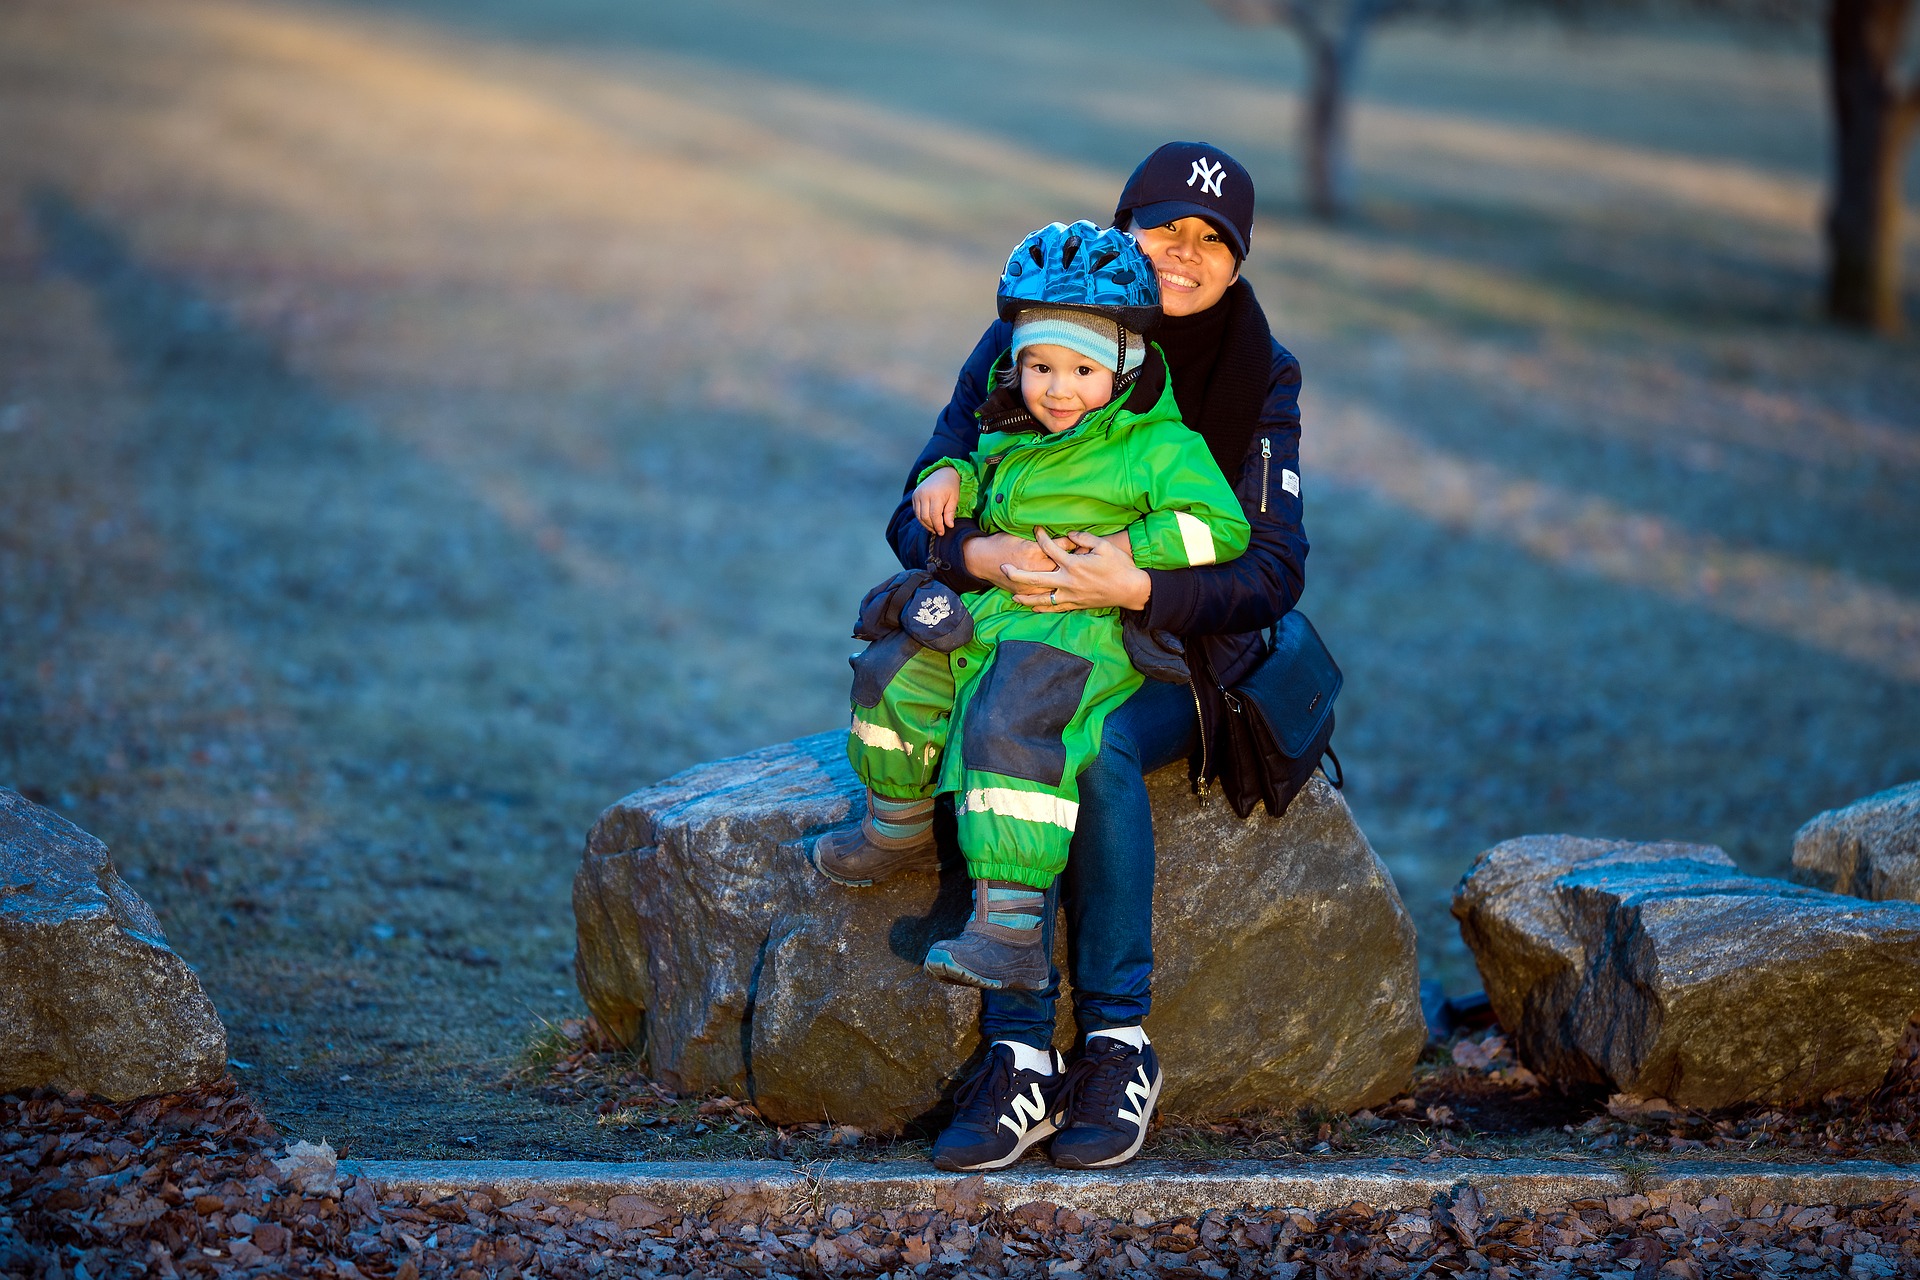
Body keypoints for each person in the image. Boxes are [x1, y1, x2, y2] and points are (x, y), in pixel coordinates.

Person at [877, 141, 1307, 1174]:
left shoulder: (1261, 372)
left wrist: (1138, 584)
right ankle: (1019, 1055)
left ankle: (1117, 1039)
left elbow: (1276, 568)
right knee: (999, 701)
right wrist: (976, 548)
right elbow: (922, 499)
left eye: (1214, 241)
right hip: (1033, 617)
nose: (1187, 255)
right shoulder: (1033, 327)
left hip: (1180, 649)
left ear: (1238, 262)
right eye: (1166, 229)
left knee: (1090, 740)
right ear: (1124, 228)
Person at [817, 221, 1250, 1001]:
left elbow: (1219, 527)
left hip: (1081, 625)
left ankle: (1010, 927)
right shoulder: (1009, 430)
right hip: (1000, 608)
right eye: (1038, 366)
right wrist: (947, 476)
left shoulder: (1158, 448)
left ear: (1123, 370)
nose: (1056, 389)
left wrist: (1127, 546)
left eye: (1081, 369)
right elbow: (977, 476)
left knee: (1009, 720)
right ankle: (897, 826)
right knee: (894, 671)